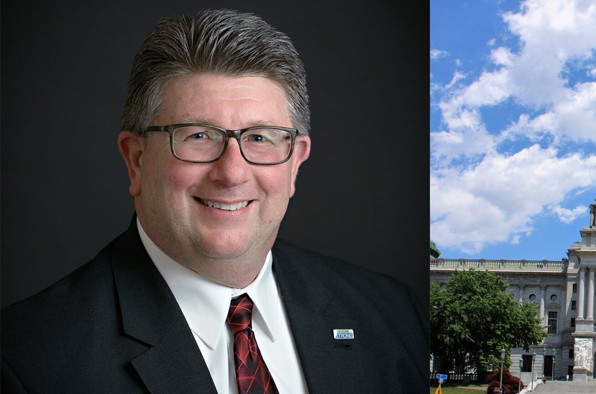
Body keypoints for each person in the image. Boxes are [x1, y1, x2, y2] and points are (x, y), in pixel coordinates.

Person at [1, 9, 427, 393]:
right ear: (136, 160)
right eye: (198, 136)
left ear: (295, 163)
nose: (232, 173)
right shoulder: (25, 362)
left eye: (260, 138)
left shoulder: (391, 315)